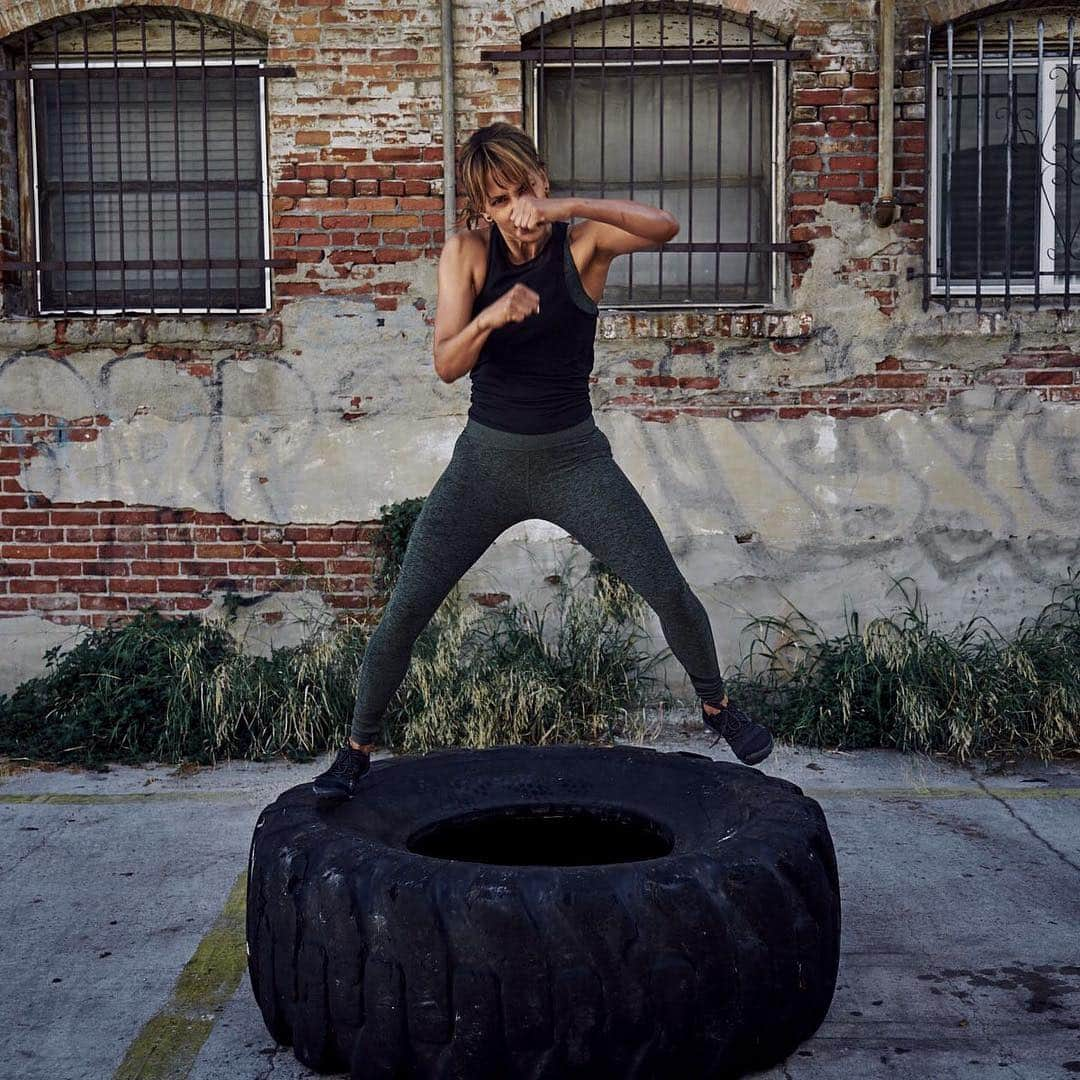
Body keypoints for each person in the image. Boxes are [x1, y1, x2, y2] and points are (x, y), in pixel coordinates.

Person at [312, 122, 773, 800]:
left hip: (574, 461)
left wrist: (560, 210)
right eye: (500, 202)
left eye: (524, 192)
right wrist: (491, 317)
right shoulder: (465, 254)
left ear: (542, 183)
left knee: (666, 587)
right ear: (483, 210)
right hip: (484, 466)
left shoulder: (581, 244)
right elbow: (445, 363)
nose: (517, 214)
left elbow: (664, 226)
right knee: (407, 607)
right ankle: (355, 748)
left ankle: (716, 707)